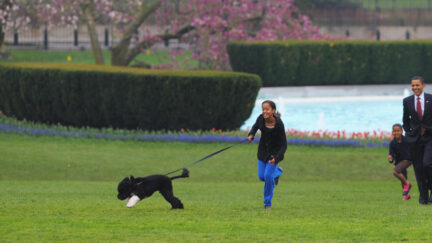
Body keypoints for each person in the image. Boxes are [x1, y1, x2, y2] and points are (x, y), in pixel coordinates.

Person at [248, 100, 287, 209]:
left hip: (274, 154)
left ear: (273, 110)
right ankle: (277, 173)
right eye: (263, 109)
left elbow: (284, 144)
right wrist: (251, 135)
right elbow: (255, 127)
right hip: (262, 152)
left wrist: (277, 157)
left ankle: (267, 204)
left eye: (267, 109)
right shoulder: (260, 118)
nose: (264, 111)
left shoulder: (279, 124)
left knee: (267, 176)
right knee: (262, 176)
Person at [402, 76, 432, 205]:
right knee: (418, 168)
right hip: (414, 140)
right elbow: (405, 120)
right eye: (413, 85)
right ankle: (423, 198)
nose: (415, 88)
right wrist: (409, 132)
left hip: (430, 138)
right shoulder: (407, 101)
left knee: (427, 165)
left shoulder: (431, 99)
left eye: (417, 85)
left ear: (423, 85)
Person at [388, 123, 412, 200]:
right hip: (399, 162)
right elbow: (391, 155)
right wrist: (390, 159)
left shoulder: (406, 140)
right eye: (394, 131)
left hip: (408, 159)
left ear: (402, 131)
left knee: (396, 171)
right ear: (392, 132)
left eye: (398, 131)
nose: (396, 132)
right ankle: (406, 195)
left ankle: (408, 184)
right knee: (403, 177)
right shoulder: (392, 143)